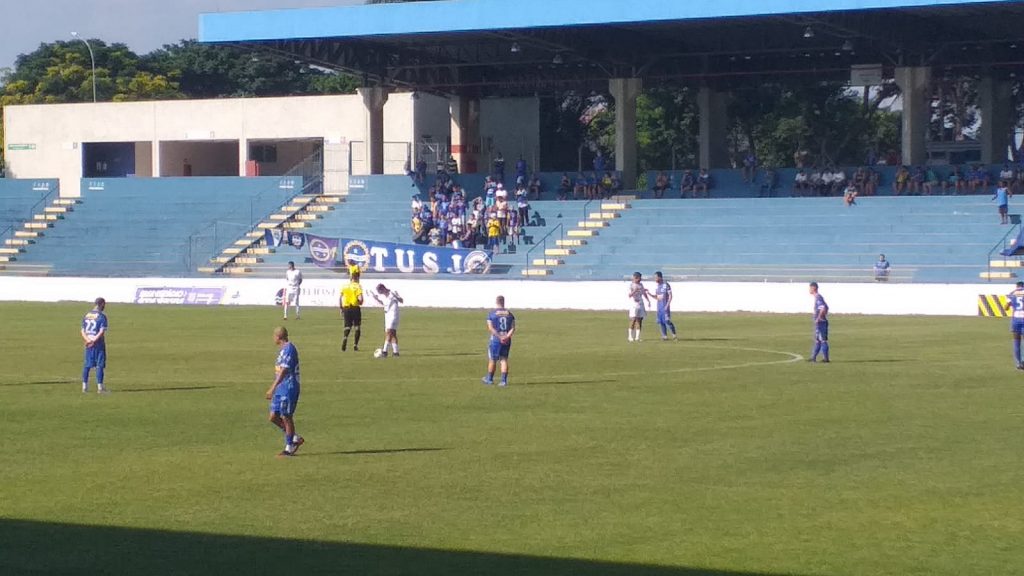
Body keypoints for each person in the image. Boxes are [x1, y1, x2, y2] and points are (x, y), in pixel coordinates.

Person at [266, 326, 304, 457]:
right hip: (280, 388)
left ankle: (289, 447)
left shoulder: (289, 349)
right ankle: (294, 438)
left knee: (286, 416)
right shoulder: (282, 350)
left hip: (289, 387)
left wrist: (272, 387)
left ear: (278, 337)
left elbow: (283, 371)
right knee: (273, 417)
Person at [482, 295, 516, 387]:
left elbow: (490, 328)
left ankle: (489, 379)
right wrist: (507, 336)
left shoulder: (492, 314)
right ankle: (503, 381)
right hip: (506, 340)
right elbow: (513, 328)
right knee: (503, 359)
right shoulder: (510, 314)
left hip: (496, 340)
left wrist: (499, 337)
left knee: (493, 359)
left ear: (496, 302)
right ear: (503, 302)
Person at [81, 297, 109, 394]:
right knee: (99, 365)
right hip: (98, 343)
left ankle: (84, 387)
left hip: (88, 343)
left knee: (87, 364)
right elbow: (101, 331)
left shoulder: (87, 315)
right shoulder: (102, 316)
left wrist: (88, 340)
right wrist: (94, 340)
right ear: (101, 304)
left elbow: (82, 330)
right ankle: (100, 388)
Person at [370, 283, 403, 358]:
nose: (380, 293)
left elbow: (401, 300)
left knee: (389, 332)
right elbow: (384, 304)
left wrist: (396, 297)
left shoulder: (392, 292)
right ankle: (396, 352)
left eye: (380, 292)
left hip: (394, 314)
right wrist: (376, 299)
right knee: (393, 333)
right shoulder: (384, 297)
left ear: (383, 289)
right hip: (387, 315)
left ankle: (384, 351)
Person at [339, 271, 364, 352]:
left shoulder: (345, 286)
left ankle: (345, 337)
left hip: (346, 308)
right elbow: (360, 299)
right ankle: (355, 345)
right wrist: (360, 302)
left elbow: (340, 297)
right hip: (355, 308)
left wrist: (341, 308)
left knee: (347, 325)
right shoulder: (357, 286)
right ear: (357, 278)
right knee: (357, 327)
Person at [1004, 281, 1024, 370]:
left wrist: (1012, 305)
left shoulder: (1012, 293)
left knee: (1016, 342)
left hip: (1016, 320)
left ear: (1016, 286)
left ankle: (1018, 363)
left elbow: (1006, 307)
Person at [627, 272, 652, 342]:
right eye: (639, 278)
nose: (640, 279)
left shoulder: (641, 285)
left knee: (639, 320)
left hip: (640, 304)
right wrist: (635, 291)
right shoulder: (631, 285)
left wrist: (648, 300)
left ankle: (637, 337)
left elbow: (643, 293)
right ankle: (630, 336)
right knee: (633, 319)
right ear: (636, 278)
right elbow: (629, 295)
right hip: (634, 304)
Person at [808, 282, 830, 363]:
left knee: (823, 340)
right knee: (817, 340)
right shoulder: (818, 298)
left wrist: (819, 317)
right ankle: (813, 358)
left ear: (814, 288)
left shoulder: (819, 297)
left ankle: (826, 359)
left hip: (821, 323)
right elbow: (826, 307)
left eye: (810, 288)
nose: (809, 290)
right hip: (819, 322)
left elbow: (823, 307)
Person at [653, 271, 678, 340]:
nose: (655, 279)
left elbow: (670, 295)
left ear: (660, 277)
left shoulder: (666, 285)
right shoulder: (657, 287)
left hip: (665, 306)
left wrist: (667, 305)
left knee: (667, 321)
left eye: (656, 277)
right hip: (659, 307)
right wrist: (649, 294)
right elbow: (657, 297)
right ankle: (664, 336)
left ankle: (674, 335)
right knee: (661, 322)